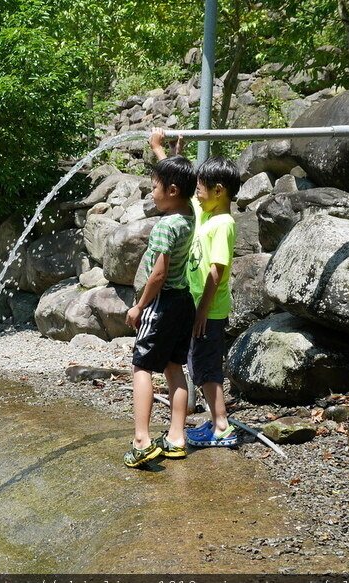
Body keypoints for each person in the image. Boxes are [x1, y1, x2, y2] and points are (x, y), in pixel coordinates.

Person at [123, 130, 196, 468]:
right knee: (173, 367)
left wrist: (139, 305)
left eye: (154, 187)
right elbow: (179, 177)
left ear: (172, 191)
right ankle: (177, 438)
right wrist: (165, 150)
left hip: (163, 302)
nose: (152, 193)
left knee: (142, 366)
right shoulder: (189, 214)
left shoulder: (166, 226)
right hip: (184, 303)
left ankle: (141, 440)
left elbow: (158, 274)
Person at [183, 155, 241, 448]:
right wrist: (165, 154)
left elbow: (217, 271)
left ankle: (222, 426)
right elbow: (183, 191)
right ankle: (216, 421)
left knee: (206, 367)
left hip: (209, 311)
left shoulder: (223, 224)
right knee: (200, 365)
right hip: (199, 307)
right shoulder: (208, 214)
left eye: (201, 189)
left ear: (218, 191)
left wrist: (202, 310)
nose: (196, 194)